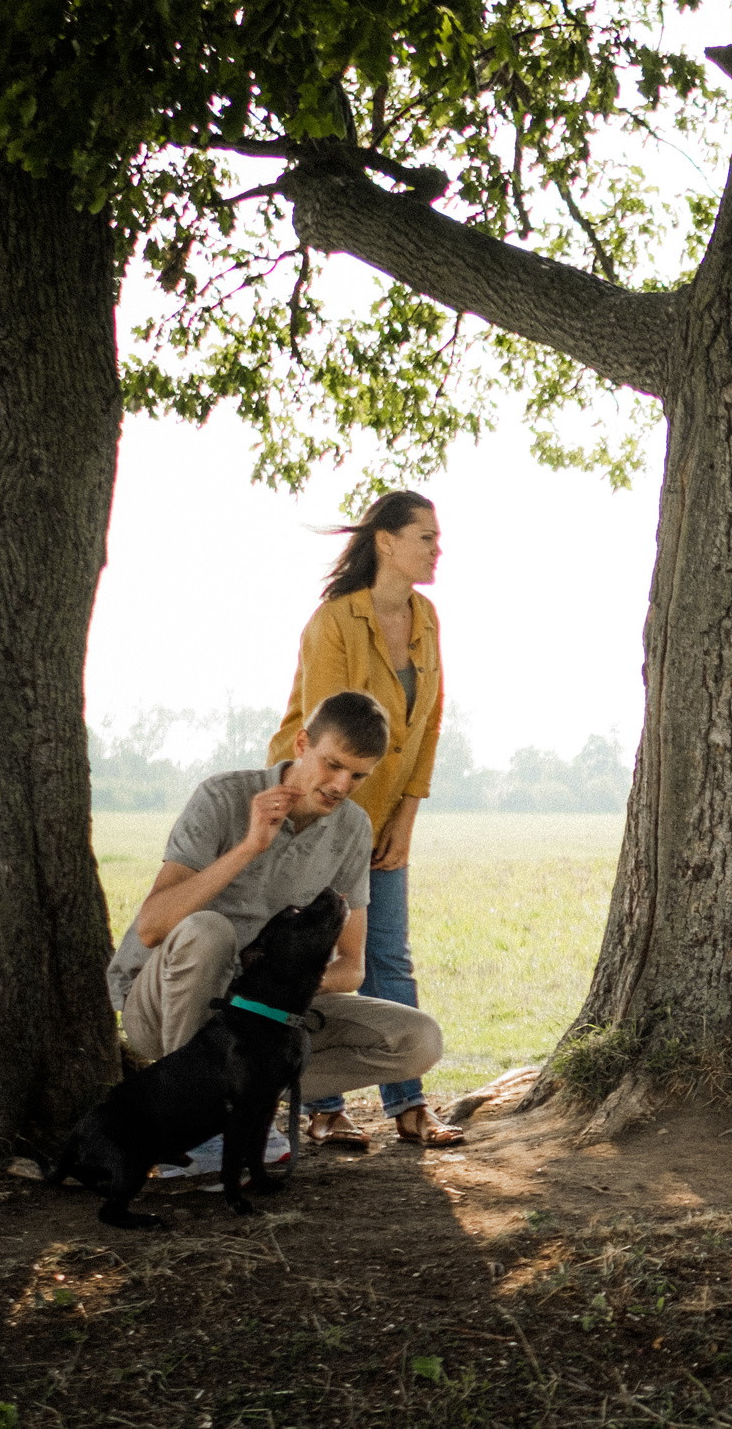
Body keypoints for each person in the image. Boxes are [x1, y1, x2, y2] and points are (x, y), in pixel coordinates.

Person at [106, 691, 444, 1166]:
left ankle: (245, 1104)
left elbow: (351, 969)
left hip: (259, 1013)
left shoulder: (352, 828)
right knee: (209, 931)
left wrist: (274, 988)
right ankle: (193, 1122)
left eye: (358, 775)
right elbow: (153, 928)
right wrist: (249, 846)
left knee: (418, 1039)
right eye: (332, 764)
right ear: (302, 742)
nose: (342, 784)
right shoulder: (222, 796)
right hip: (163, 1006)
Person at [267, 488, 463, 1149]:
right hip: (317, 810)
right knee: (318, 957)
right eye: (426, 537)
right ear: (387, 540)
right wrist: (336, 825)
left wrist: (406, 814)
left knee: (387, 956)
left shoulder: (427, 617)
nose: (438, 548)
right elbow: (328, 736)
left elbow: (429, 720)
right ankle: (323, 1106)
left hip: (384, 816)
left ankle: (409, 1106)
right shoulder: (336, 622)